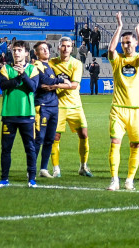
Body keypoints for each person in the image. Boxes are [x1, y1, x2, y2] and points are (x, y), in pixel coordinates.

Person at [106, 12, 139, 191]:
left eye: (129, 42)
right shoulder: (117, 60)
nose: (126, 45)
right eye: (123, 43)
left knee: (135, 145)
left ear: (136, 43)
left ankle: (130, 179)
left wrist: (138, 29)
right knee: (115, 143)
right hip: (119, 109)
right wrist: (119, 27)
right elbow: (110, 50)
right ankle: (114, 179)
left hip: (138, 110)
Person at [0, 40, 40, 188]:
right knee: (6, 149)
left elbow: (32, 87)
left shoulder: (33, 69)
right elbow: (4, 85)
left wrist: (23, 75)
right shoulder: (5, 69)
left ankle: (32, 179)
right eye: (14, 50)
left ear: (26, 53)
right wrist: (20, 77)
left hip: (27, 115)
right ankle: (4, 179)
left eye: (19, 50)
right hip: (9, 114)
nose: (16, 53)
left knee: (30, 148)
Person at [48, 36, 92, 178]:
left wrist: (55, 85)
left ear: (72, 47)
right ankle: (56, 168)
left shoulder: (76, 64)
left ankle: (83, 166)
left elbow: (74, 85)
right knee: (55, 137)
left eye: (68, 46)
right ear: (58, 47)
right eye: (63, 46)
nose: (66, 48)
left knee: (84, 135)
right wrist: (61, 83)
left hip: (75, 106)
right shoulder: (51, 63)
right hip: (58, 106)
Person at [32, 40, 61, 179]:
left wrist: (53, 84)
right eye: (42, 49)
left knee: (49, 139)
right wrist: (60, 81)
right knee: (39, 138)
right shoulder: (36, 65)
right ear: (36, 53)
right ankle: (31, 169)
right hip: (42, 105)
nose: (46, 51)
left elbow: (49, 83)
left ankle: (43, 168)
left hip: (53, 106)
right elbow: (44, 81)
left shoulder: (49, 66)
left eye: (47, 48)